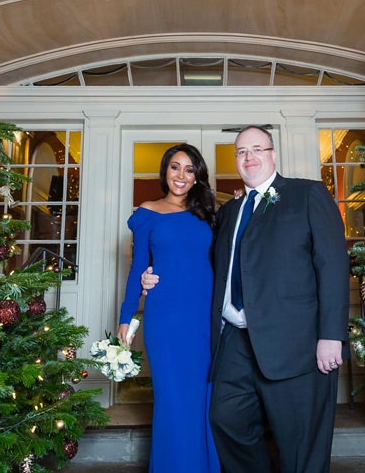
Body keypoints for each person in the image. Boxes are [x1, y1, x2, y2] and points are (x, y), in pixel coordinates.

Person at [142, 126, 350, 473]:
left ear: (272, 154)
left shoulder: (307, 194)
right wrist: (154, 277)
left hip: (294, 343)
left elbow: (332, 265)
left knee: (299, 443)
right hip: (235, 339)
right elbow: (201, 266)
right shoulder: (228, 212)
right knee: (225, 420)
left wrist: (331, 336)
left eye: (257, 149)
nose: (249, 157)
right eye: (241, 151)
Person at [117, 143, 220, 473]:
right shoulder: (148, 211)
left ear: (197, 177)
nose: (181, 175)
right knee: (173, 399)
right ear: (165, 172)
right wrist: (126, 316)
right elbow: (138, 269)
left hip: (203, 316)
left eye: (189, 169)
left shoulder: (207, 214)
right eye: (175, 167)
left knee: (203, 398)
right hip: (166, 318)